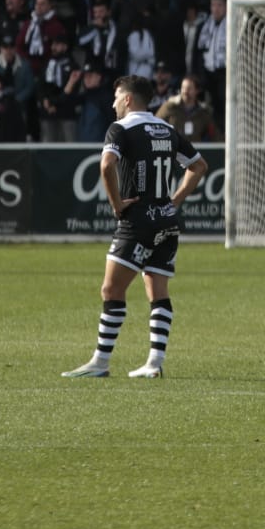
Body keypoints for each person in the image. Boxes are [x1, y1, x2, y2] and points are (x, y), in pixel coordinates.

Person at [61, 73, 209, 380]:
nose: (112, 103)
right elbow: (199, 166)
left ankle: (100, 361)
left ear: (128, 99)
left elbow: (106, 165)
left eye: (116, 96)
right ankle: (154, 362)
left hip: (138, 220)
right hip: (167, 221)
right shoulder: (167, 128)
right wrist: (175, 200)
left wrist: (116, 205)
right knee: (157, 290)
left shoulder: (121, 128)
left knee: (111, 289)